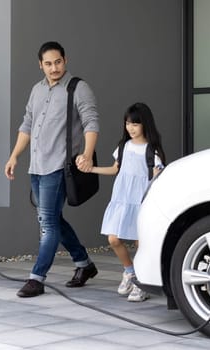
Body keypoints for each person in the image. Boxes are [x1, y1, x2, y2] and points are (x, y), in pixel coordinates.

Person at [4, 41, 100, 298]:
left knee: (47, 223)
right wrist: (14, 156)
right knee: (51, 218)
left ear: (65, 60)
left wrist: (88, 155)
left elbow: (91, 122)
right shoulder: (37, 90)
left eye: (58, 62)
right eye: (48, 63)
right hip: (36, 166)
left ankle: (37, 278)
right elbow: (27, 125)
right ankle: (84, 264)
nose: (54, 67)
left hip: (59, 166)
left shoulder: (78, 88)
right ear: (41, 65)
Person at [85, 102, 166, 302]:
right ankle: (129, 271)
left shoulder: (152, 151)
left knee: (141, 243)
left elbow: (158, 178)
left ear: (145, 125)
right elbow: (115, 170)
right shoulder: (123, 146)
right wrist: (92, 169)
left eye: (135, 124)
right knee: (114, 239)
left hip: (141, 203)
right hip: (122, 200)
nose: (130, 128)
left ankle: (141, 282)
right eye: (128, 123)